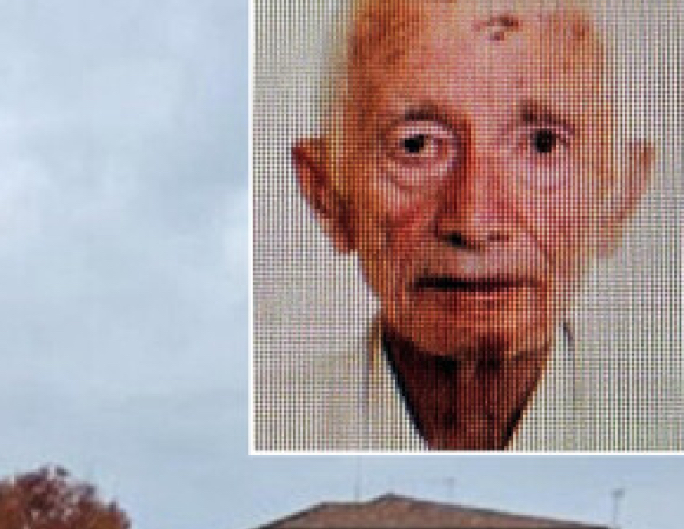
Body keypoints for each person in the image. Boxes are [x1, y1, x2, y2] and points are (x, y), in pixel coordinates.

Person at [258, 0, 669, 451]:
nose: (473, 221)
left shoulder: (661, 422)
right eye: (416, 145)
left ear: (620, 195)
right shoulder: (274, 421)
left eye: (542, 144)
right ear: (328, 194)